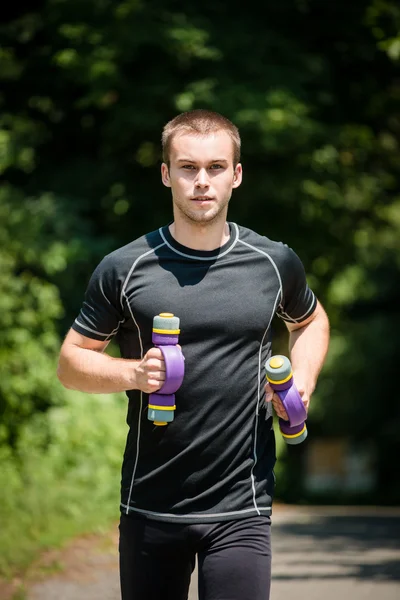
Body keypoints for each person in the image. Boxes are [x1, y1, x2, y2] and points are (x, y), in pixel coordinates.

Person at [57, 109, 330, 600]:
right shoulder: (124, 268)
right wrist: (134, 372)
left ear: (236, 175)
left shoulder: (273, 263)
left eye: (216, 167)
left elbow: (310, 321)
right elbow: (71, 363)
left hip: (242, 506)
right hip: (150, 504)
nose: (202, 182)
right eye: (187, 167)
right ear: (167, 174)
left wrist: (302, 378)